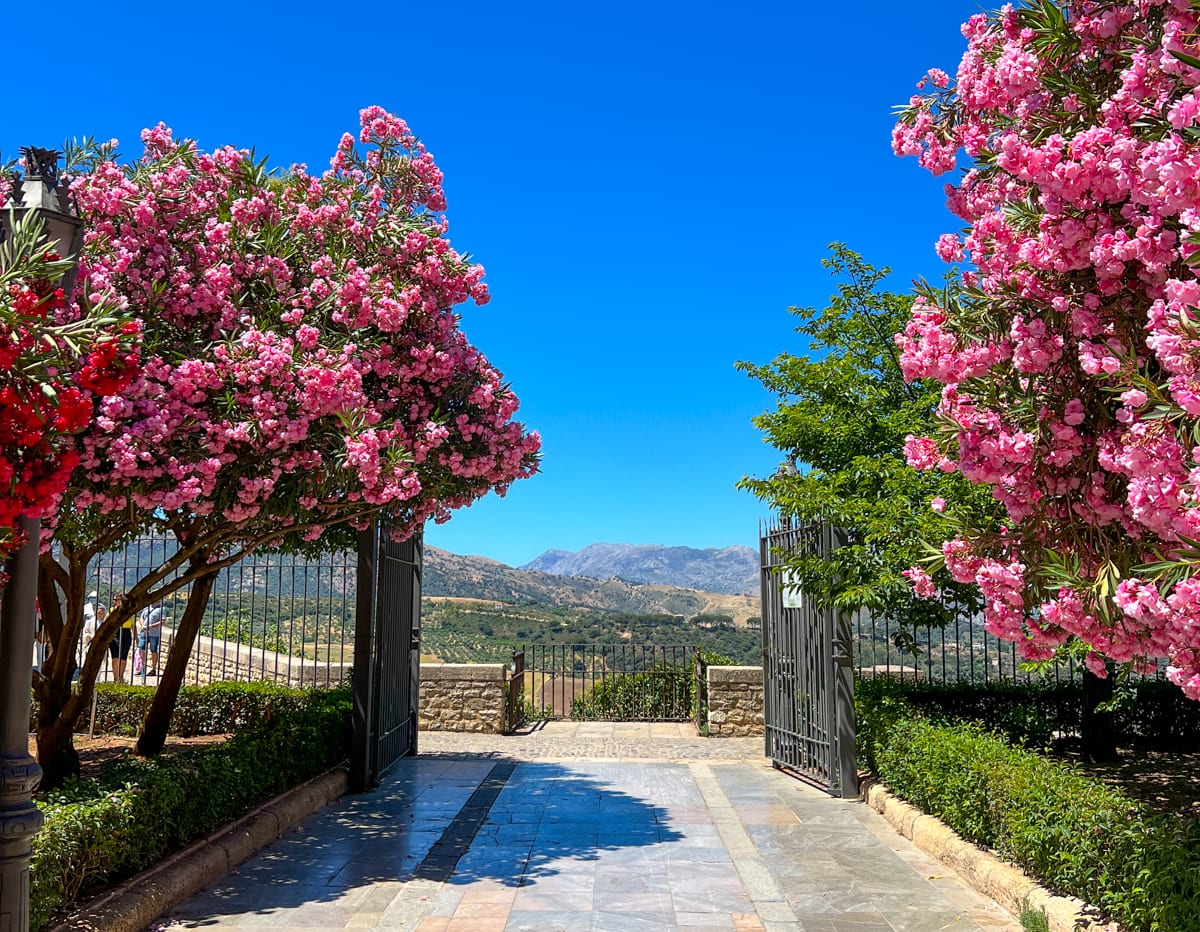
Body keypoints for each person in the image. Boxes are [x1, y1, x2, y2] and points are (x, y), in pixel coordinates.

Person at [108, 592, 136, 684]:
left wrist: (136, 637)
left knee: (123, 656)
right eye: (116, 600)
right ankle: (116, 677)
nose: (117, 601)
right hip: (115, 632)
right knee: (115, 656)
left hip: (126, 632)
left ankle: (121, 677)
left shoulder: (129, 611)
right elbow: (107, 624)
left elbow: (133, 625)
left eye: (119, 599)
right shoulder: (111, 611)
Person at [138, 603, 165, 677]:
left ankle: (153, 669)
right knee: (141, 649)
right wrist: (143, 625)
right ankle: (142, 668)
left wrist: (150, 626)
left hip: (154, 634)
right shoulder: (146, 607)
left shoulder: (161, 609)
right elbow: (141, 618)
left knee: (153, 651)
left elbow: (162, 621)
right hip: (144, 632)